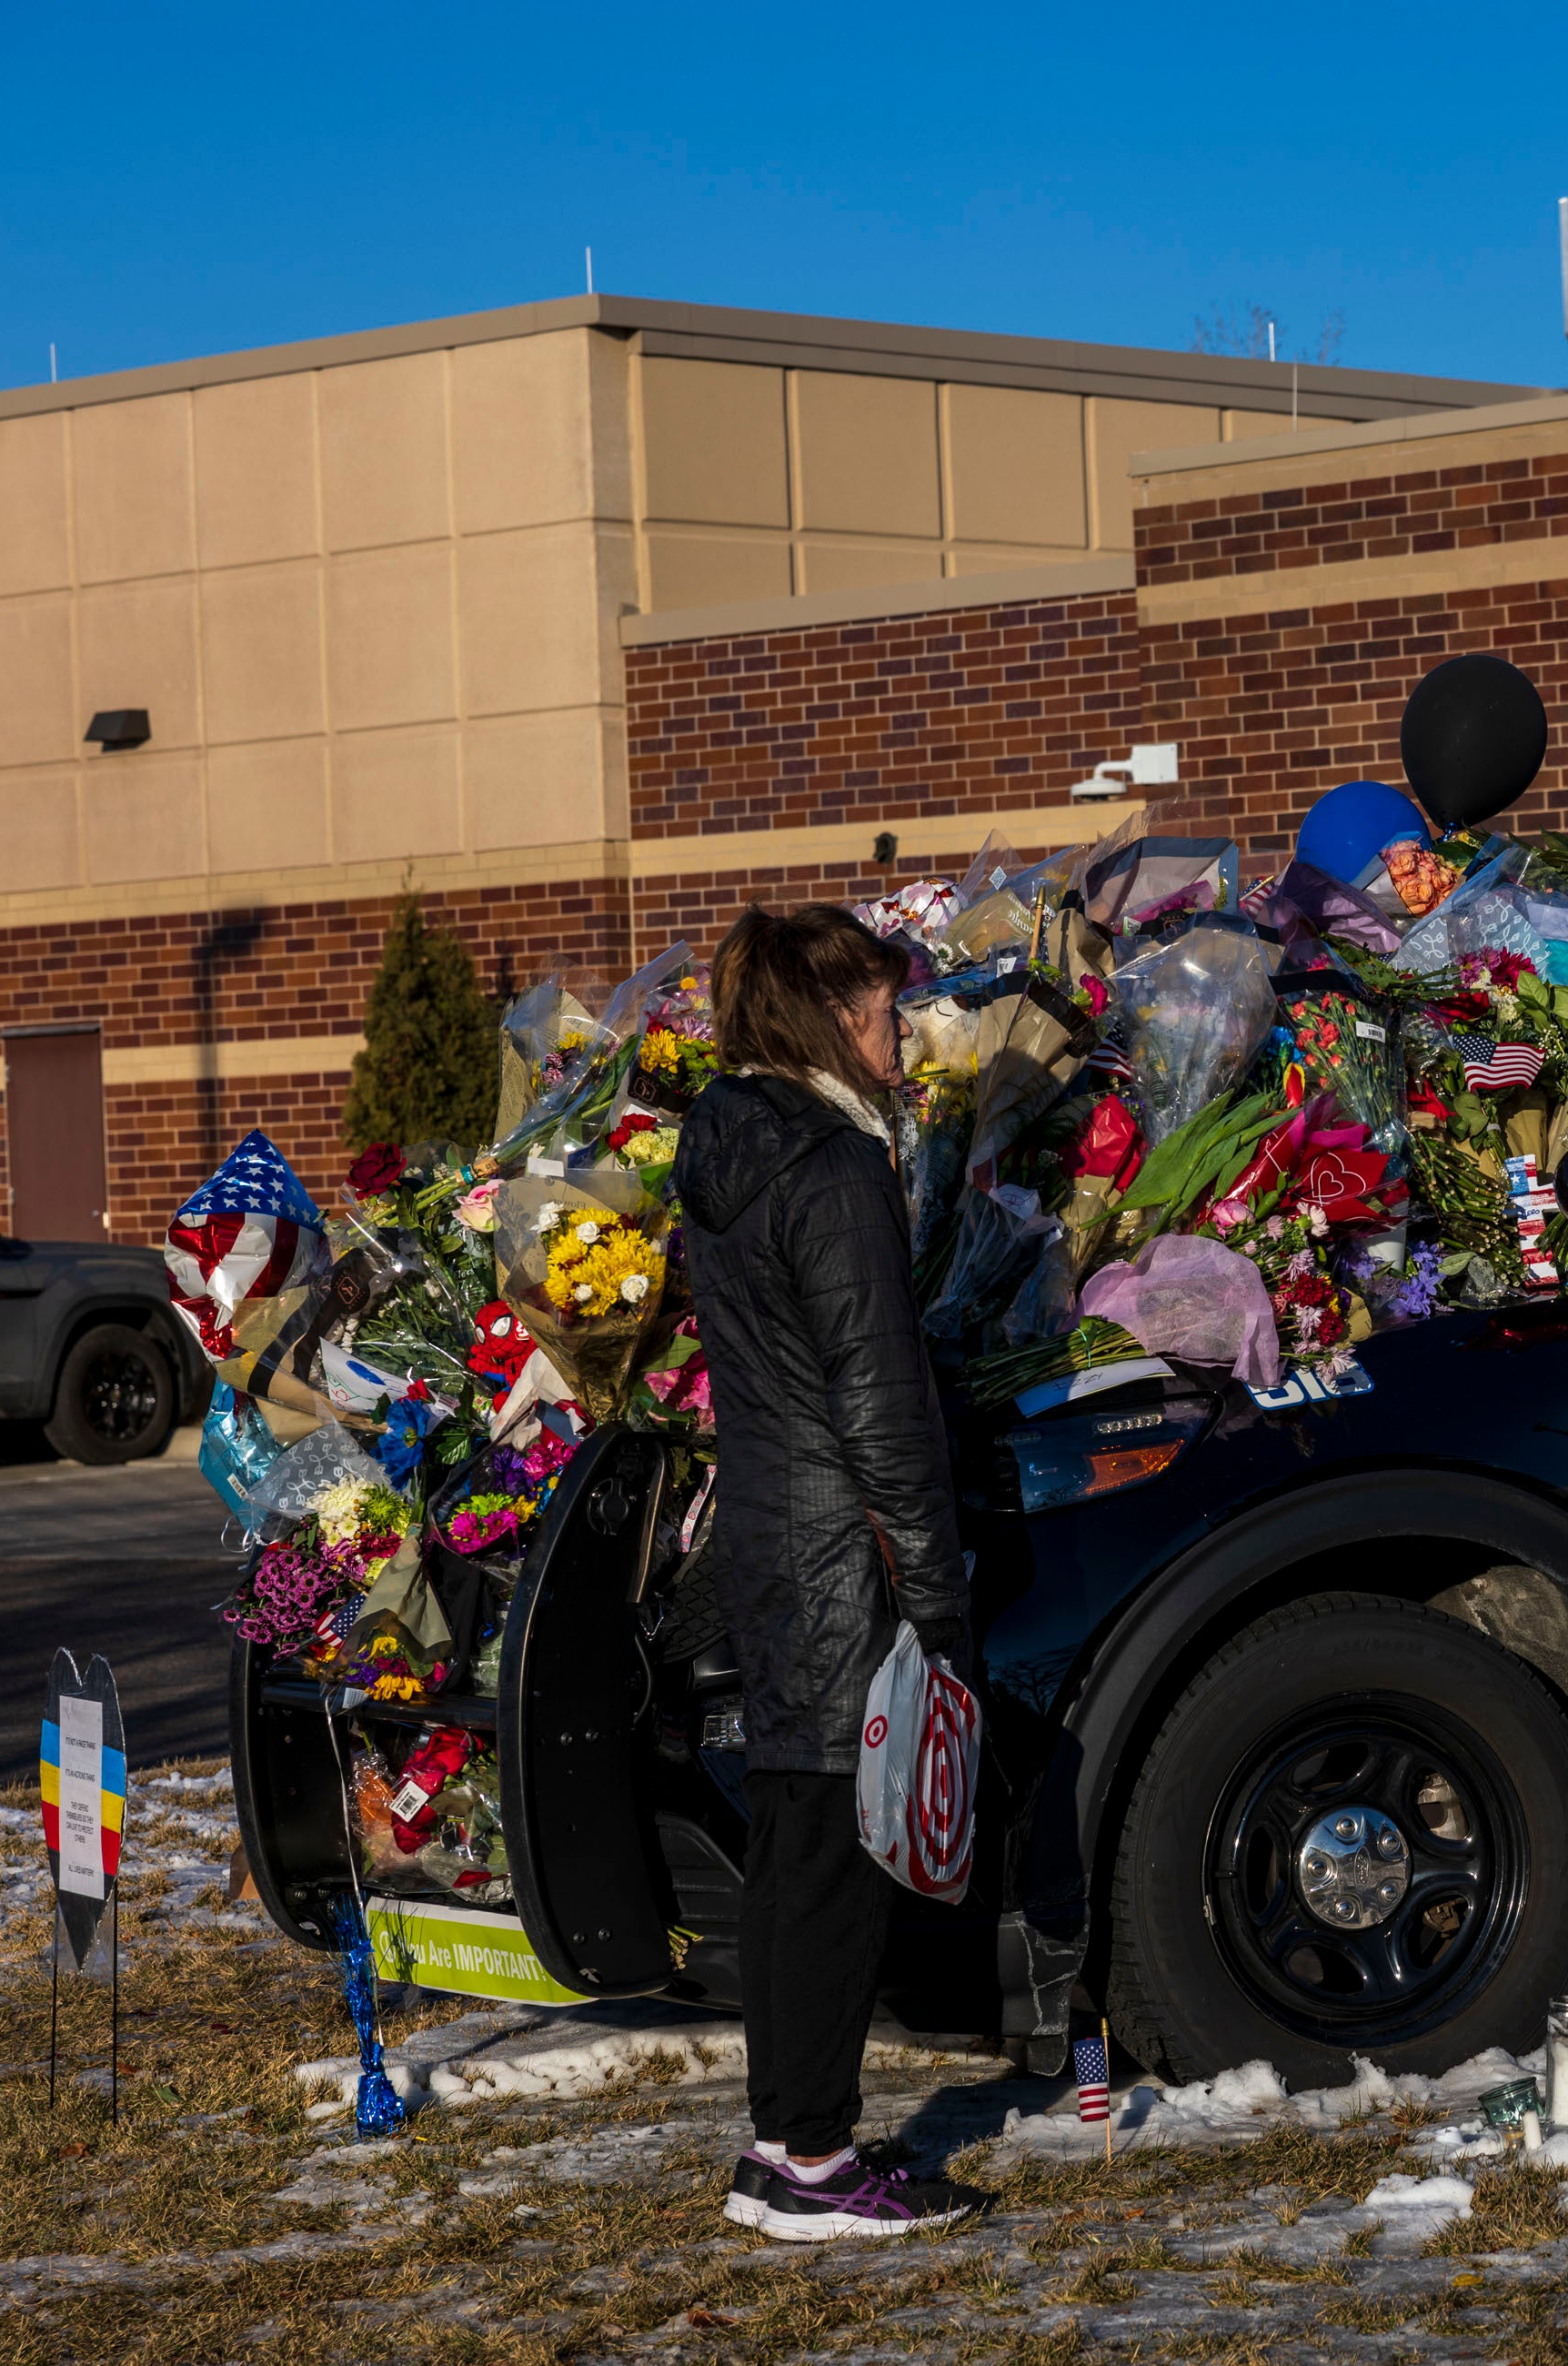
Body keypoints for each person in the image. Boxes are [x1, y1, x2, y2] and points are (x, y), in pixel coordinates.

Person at [678, 904, 992, 2239]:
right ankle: (812, 2159)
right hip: (842, 1552)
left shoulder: (728, 1147)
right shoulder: (830, 1168)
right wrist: (933, 1587)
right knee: (834, 1860)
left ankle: (781, 2146)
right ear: (823, 1022)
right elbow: (881, 1400)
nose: (897, 1034)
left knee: (795, 1852)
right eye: (876, 1011)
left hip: (769, 1528)